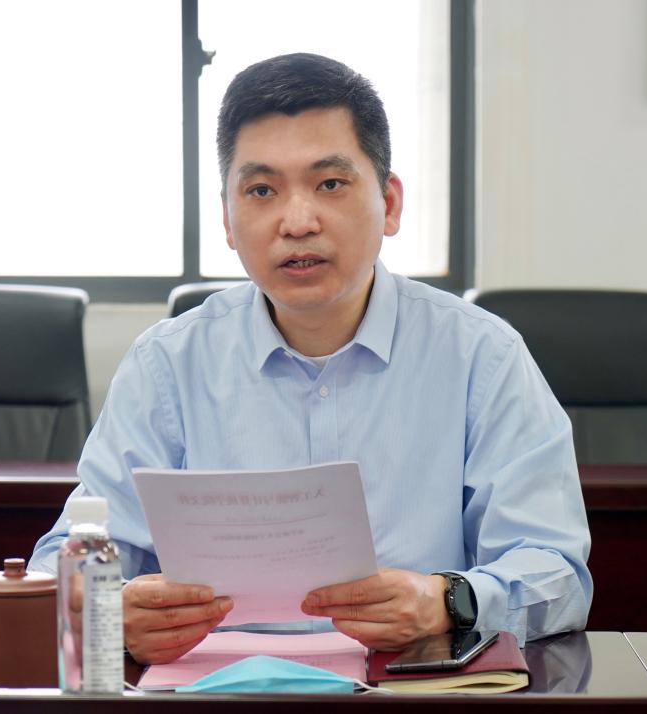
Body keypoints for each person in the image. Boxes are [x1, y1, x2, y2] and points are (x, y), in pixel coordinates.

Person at [31, 52, 591, 665]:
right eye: (261, 190)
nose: (297, 222)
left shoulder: (482, 355)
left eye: (330, 184)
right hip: (215, 692)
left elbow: (556, 571)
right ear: (227, 220)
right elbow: (66, 559)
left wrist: (449, 601)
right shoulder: (166, 365)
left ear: (390, 203)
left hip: (408, 688)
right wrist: (108, 608)